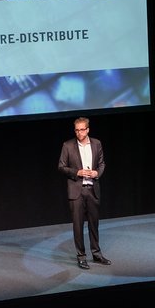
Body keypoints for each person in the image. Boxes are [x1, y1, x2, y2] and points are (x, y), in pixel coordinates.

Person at [58, 115, 110, 269]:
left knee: (94, 224)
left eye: (82, 130)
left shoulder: (96, 143)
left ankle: (96, 254)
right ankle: (81, 256)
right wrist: (77, 172)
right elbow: (61, 166)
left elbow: (102, 163)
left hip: (93, 189)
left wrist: (97, 173)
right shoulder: (68, 145)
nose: (79, 133)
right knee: (78, 225)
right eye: (76, 130)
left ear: (87, 130)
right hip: (77, 191)